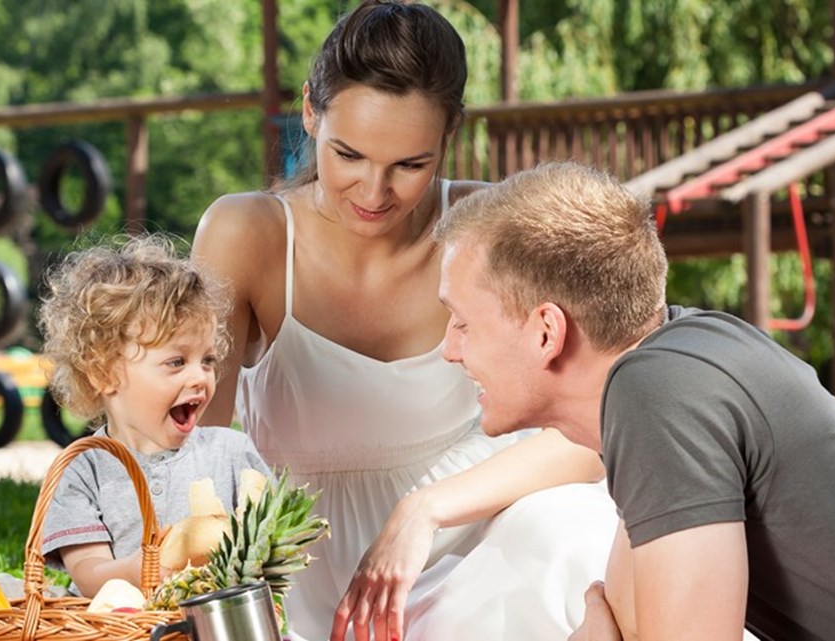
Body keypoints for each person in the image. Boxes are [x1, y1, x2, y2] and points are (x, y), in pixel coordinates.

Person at [191, 2, 617, 639]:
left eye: (410, 166)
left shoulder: (489, 225)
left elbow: (597, 430)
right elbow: (194, 455)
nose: (373, 192)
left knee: (567, 540)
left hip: (478, 537)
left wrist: (423, 511)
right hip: (310, 577)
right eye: (348, 155)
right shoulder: (246, 233)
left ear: (449, 136)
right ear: (310, 111)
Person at [434, 160, 835, 641]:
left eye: (463, 324)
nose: (450, 350)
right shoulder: (682, 354)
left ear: (545, 333)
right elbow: (627, 623)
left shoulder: (658, 394)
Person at [36, 234, 272, 597]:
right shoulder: (85, 470)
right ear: (104, 372)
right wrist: (136, 571)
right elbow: (88, 572)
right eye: (176, 362)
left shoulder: (231, 455)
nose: (200, 377)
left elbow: (276, 538)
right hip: (120, 630)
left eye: (207, 360)